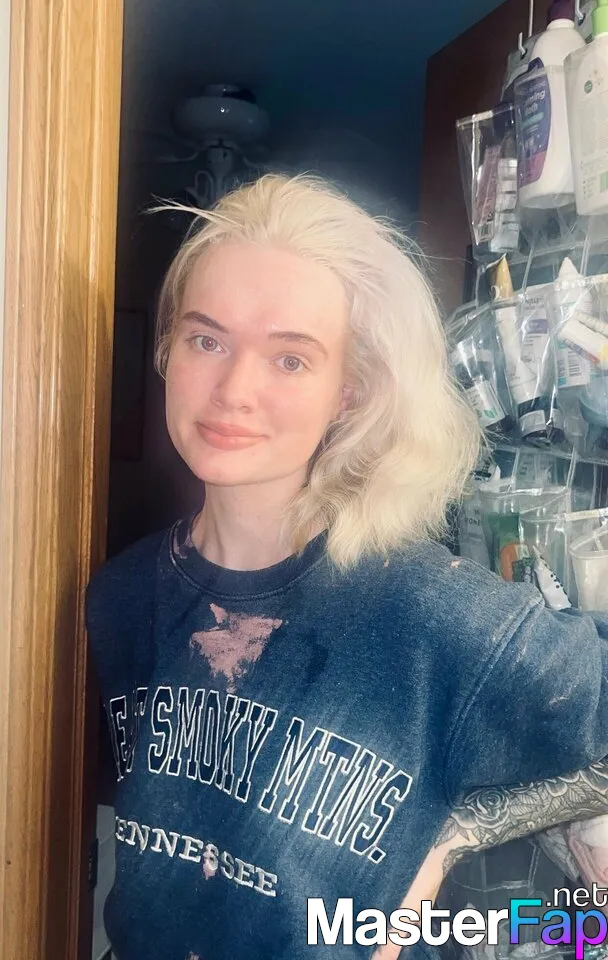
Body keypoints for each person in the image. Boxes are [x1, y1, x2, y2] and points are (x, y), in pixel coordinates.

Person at [86, 173, 608, 960]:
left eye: (291, 360)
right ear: (167, 351)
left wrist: (452, 838)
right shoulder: (120, 598)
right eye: (206, 340)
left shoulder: (426, 611)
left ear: (348, 394)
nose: (234, 390)